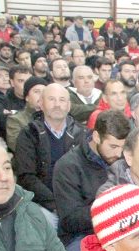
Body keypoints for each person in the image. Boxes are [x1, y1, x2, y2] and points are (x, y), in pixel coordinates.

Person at [52, 110, 130, 251]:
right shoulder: (68, 166)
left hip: (124, 230)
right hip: (81, 236)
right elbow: (70, 220)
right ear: (96, 137)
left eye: (123, 146)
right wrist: (111, 207)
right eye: (113, 146)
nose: (119, 153)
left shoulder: (125, 160)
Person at [13, 83, 88, 225]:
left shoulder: (82, 134)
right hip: (44, 204)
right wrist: (55, 203)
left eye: (62, 100)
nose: (57, 105)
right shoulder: (29, 134)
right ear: (41, 103)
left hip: (77, 203)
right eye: (52, 99)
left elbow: (88, 175)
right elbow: (26, 177)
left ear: (69, 105)